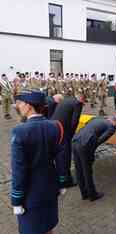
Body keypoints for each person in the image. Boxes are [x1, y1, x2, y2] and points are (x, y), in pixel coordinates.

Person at [10, 89, 67, 234]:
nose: (18, 106)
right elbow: (61, 158)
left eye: (20, 103)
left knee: (31, 229)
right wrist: (62, 182)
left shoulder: (19, 131)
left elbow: (19, 169)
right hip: (50, 187)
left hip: (30, 193)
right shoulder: (56, 126)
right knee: (48, 227)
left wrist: (16, 199)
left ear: (29, 105)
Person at [72, 116, 116, 201]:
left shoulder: (96, 119)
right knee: (87, 170)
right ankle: (92, 195)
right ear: (114, 122)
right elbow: (100, 140)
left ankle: (84, 193)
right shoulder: (112, 127)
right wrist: (91, 150)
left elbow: (86, 126)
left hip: (76, 140)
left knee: (79, 169)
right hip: (85, 145)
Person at [51, 95, 84, 188]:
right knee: (65, 155)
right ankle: (65, 181)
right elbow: (74, 121)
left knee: (58, 154)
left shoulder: (66, 99)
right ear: (82, 99)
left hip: (53, 126)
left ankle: (59, 177)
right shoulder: (78, 104)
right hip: (62, 131)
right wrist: (71, 135)